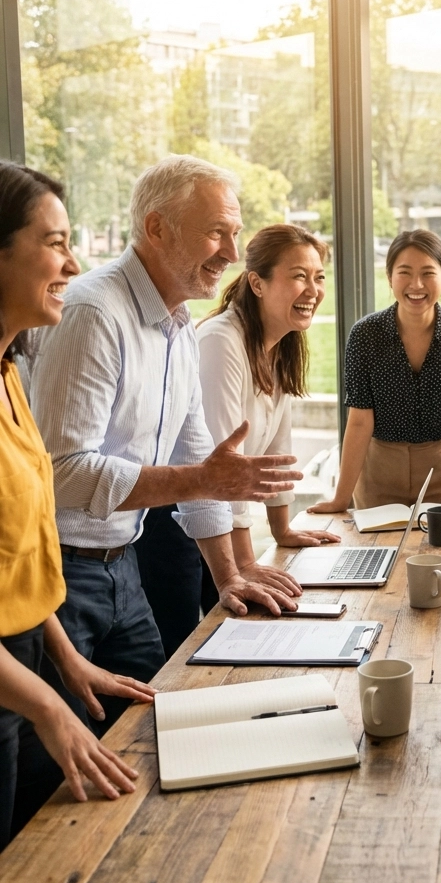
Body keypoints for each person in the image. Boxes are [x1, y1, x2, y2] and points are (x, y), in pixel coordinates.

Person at [29, 155, 303, 733]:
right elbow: (62, 473)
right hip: (59, 580)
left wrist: (229, 577)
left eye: (235, 233)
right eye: (217, 232)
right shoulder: (93, 312)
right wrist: (202, 479)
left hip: (122, 566)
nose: (232, 253)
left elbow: (198, 457)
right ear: (157, 228)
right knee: (60, 763)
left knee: (153, 732)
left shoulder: (178, 323)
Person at [0, 162, 156, 850]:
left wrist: (64, 659)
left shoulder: (10, 374)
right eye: (55, 243)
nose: (72, 263)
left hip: (24, 664)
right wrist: (48, 708)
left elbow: (17, 564)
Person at [135, 224, 342, 658]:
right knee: (181, 648)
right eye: (299, 276)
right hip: (178, 517)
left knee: (235, 634)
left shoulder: (280, 343)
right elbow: (222, 468)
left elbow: (275, 452)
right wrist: (245, 564)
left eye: (319, 277)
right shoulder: (221, 342)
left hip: (216, 514)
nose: (313, 290)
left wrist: (283, 529)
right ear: (257, 283)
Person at [310, 230, 441, 513]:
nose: (417, 284)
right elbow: (360, 421)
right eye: (405, 272)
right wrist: (340, 500)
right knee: (377, 542)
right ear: (389, 277)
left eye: (428, 273)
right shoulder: (365, 334)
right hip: (377, 476)